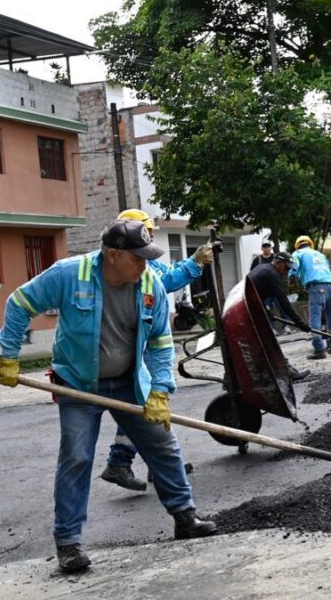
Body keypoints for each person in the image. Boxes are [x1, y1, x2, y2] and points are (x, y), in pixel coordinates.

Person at [0, 219, 217, 574]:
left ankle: (185, 517)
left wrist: (160, 390)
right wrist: (9, 355)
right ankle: (68, 544)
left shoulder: (150, 285)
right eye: (137, 257)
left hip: (130, 382)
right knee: (76, 457)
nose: (145, 264)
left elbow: (160, 342)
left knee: (162, 444)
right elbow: (20, 302)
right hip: (78, 384)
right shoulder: (70, 274)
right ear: (113, 255)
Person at [99, 209, 214, 493]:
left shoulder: (141, 261)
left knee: (151, 404)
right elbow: (167, 280)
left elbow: (168, 274)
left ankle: (148, 463)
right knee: (146, 403)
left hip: (144, 340)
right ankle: (127, 462)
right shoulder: (129, 265)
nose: (150, 238)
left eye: (150, 233)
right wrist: (195, 263)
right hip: (139, 344)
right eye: (146, 232)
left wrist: (194, 262)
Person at [247, 251, 312, 379]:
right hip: (249, 311)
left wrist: (265, 310)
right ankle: (288, 372)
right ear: (279, 263)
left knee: (261, 343)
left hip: (248, 308)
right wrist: (300, 323)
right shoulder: (272, 274)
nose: (287, 271)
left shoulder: (263, 268)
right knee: (269, 341)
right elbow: (284, 302)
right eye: (286, 268)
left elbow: (255, 292)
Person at [288, 235, 331, 360]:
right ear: (310, 244)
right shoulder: (320, 254)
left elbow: (294, 265)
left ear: (297, 245)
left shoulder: (298, 253)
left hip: (316, 287)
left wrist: (292, 276)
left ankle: (319, 349)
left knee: (315, 318)